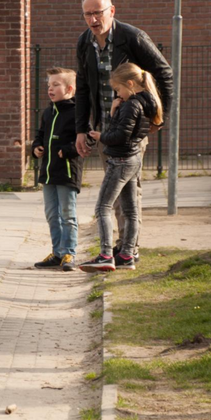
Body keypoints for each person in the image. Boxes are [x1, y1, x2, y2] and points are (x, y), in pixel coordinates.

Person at [74, 0, 173, 262]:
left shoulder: (133, 37)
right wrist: (81, 128)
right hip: (106, 129)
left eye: (99, 12)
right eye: (88, 14)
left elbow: (164, 73)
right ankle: (123, 249)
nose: (94, 19)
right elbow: (82, 88)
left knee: (128, 191)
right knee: (116, 193)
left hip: (132, 127)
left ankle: (127, 249)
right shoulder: (84, 43)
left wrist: (160, 116)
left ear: (112, 11)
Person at [79, 62, 163, 272]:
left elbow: (120, 135)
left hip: (120, 160)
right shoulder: (148, 102)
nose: (118, 94)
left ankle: (106, 255)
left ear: (131, 83)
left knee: (102, 207)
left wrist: (101, 136)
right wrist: (116, 111)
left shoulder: (131, 104)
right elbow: (131, 131)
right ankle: (126, 254)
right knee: (131, 210)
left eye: (118, 89)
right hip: (133, 159)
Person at [32, 67, 84, 272]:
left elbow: (85, 138)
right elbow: (40, 134)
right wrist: (35, 147)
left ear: (70, 88)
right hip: (48, 172)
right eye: (48, 86)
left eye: (55, 85)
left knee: (67, 214)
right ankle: (57, 252)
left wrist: (69, 150)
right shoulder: (48, 112)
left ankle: (69, 253)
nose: (50, 89)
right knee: (52, 214)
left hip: (67, 172)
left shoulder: (77, 113)